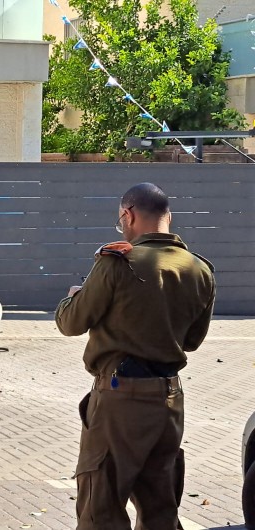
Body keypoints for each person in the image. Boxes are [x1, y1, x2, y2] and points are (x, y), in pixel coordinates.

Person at [55, 183, 216, 529]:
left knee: (102, 507)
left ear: (127, 216)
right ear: (168, 218)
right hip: (169, 401)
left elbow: (71, 323)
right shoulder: (200, 270)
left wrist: (72, 298)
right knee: (161, 509)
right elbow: (192, 341)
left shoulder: (118, 262)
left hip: (119, 401)